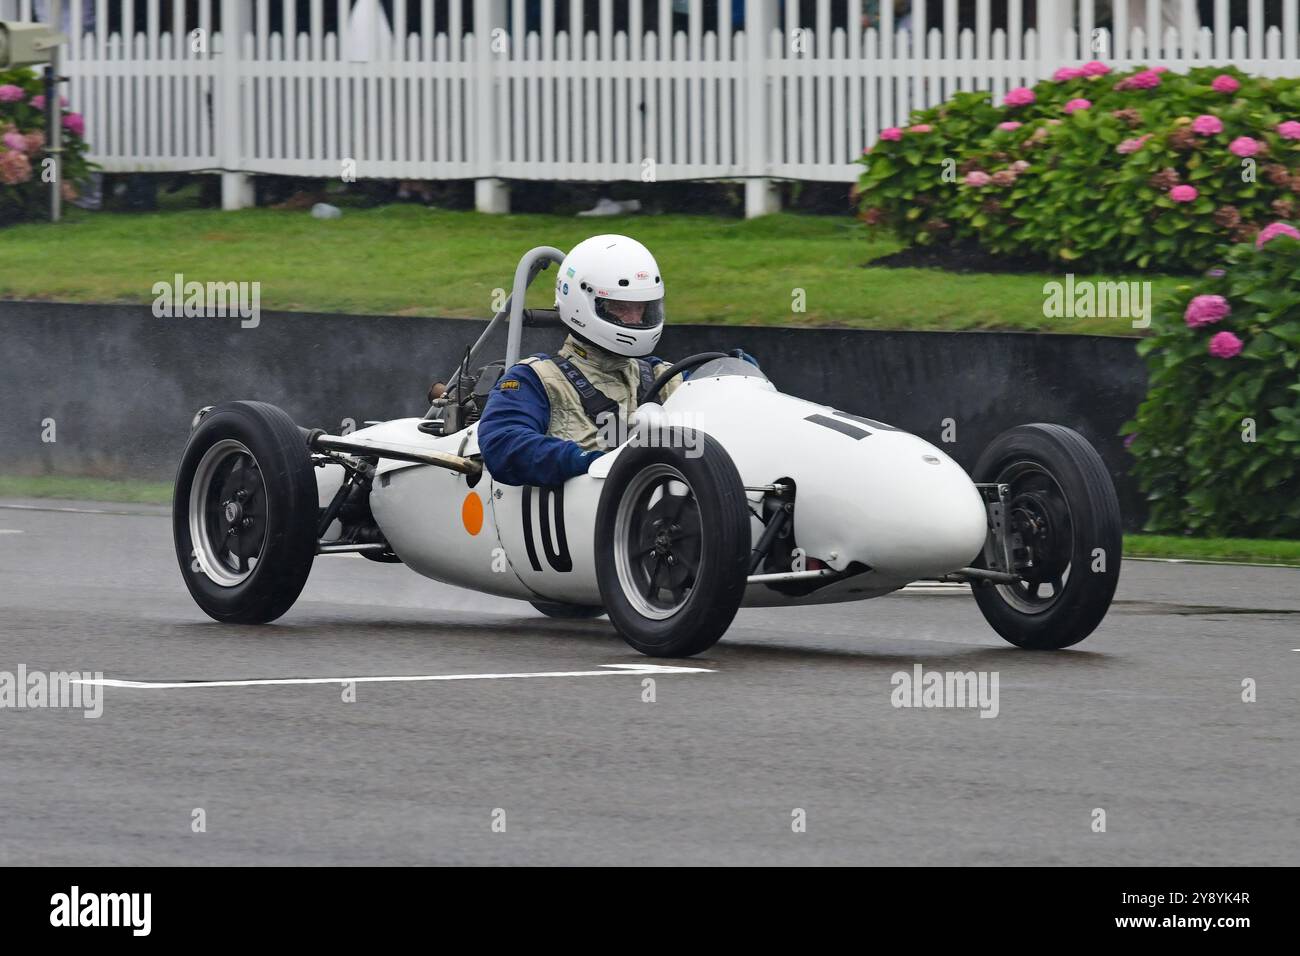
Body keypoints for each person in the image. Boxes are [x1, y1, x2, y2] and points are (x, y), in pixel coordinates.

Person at [477, 234, 682, 487]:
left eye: (641, 308)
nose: (634, 320)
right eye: (620, 307)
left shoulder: (668, 378)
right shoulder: (536, 380)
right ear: (582, 304)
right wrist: (588, 462)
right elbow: (502, 445)